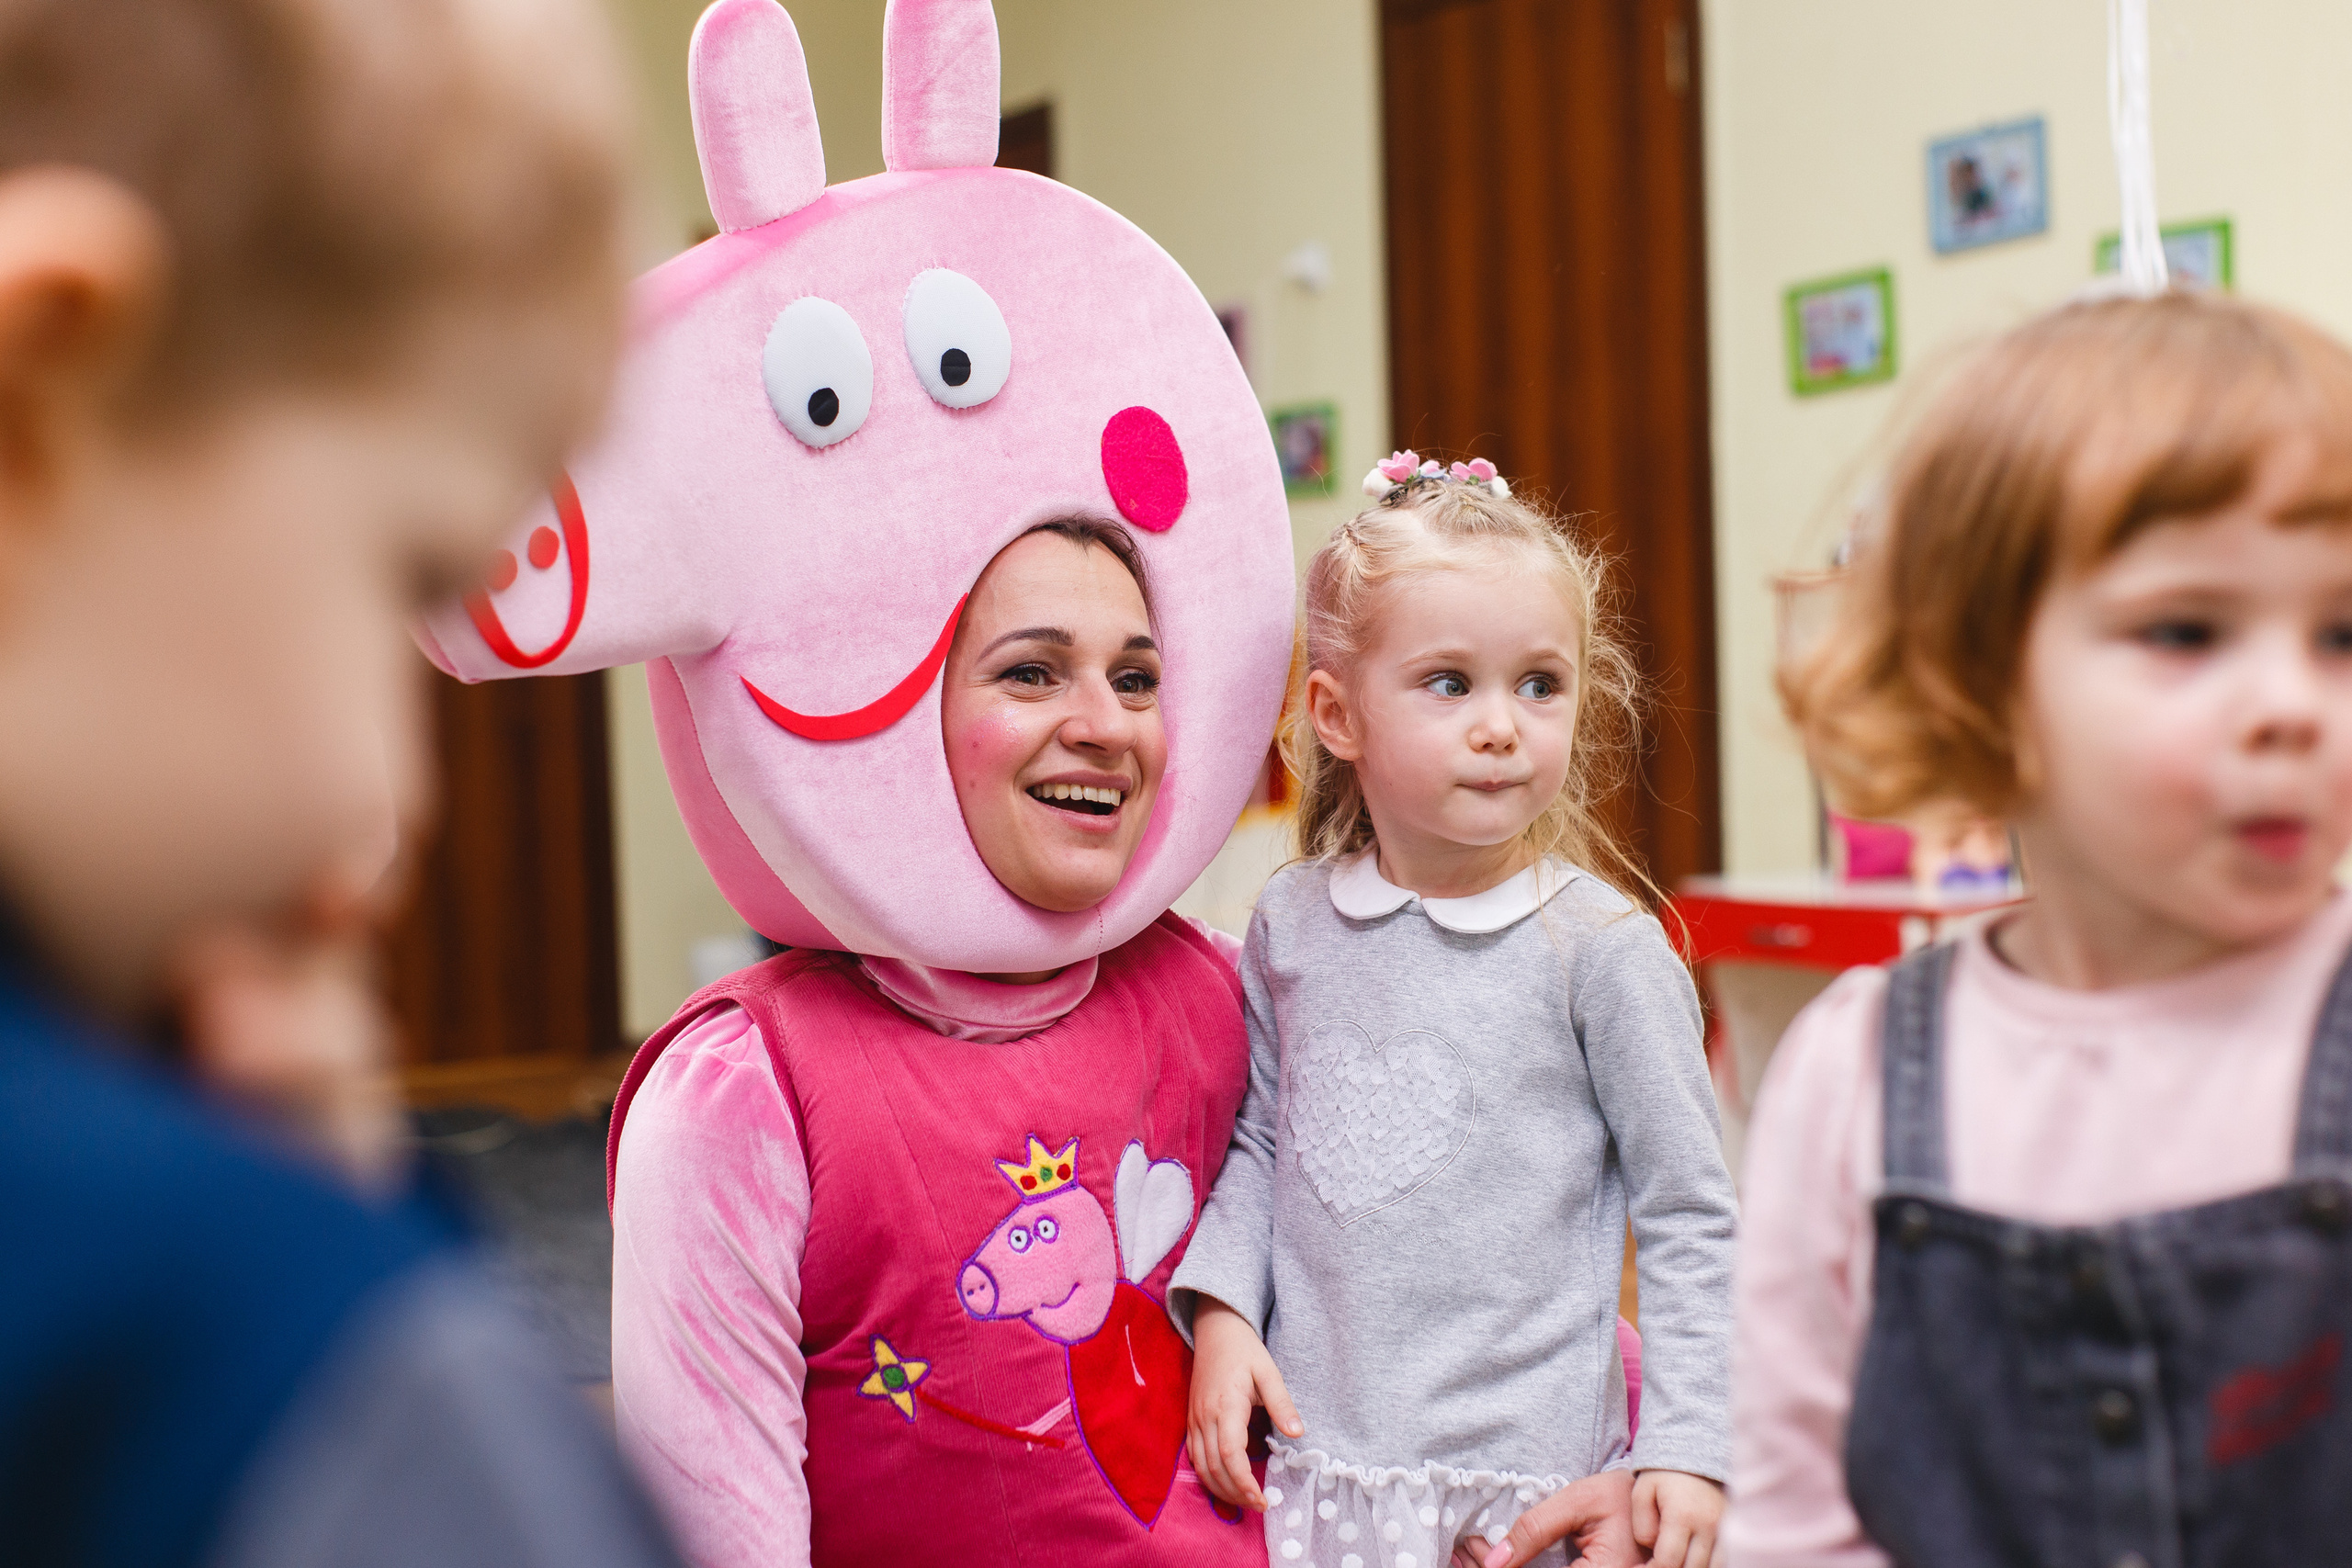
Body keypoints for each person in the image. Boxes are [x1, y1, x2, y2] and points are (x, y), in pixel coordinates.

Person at [0, 0, 683, 1562]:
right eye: (399, 577)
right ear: (39, 414)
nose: (396, 810)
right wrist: (314, 1272)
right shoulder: (301, 1368)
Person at [1728, 291, 2352, 1567]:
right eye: (2187, 629)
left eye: (2342, 631)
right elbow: (1793, 1514)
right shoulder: (1852, 1070)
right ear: (1980, 682)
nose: (2294, 702)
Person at [1173, 457, 1738, 1568]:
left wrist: (1687, 1444)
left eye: (1540, 684)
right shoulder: (1289, 923)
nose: (1502, 726)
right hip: (1322, 1481)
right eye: (1450, 684)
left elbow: (1690, 1213)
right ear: (1337, 715)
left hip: (1520, 1503)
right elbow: (1263, 1138)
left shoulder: (1603, 956)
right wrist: (1223, 1311)